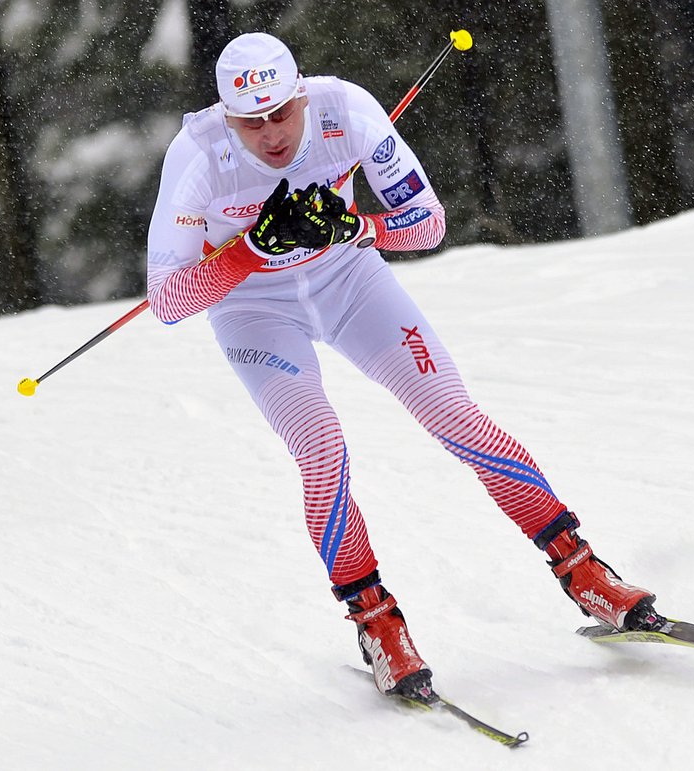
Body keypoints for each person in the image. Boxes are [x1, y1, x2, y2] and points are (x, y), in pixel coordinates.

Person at [145, 32, 657, 701]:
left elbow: (426, 225)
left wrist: (355, 227)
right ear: (226, 114)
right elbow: (166, 300)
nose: (270, 134)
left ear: (300, 95)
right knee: (322, 448)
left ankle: (583, 570)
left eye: (281, 113)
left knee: (456, 418)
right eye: (251, 122)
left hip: (351, 283)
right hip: (255, 310)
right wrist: (247, 254)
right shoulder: (198, 156)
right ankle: (376, 620)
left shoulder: (344, 112)